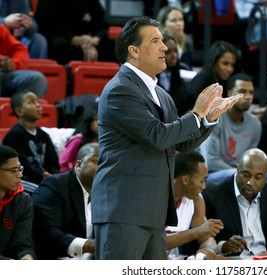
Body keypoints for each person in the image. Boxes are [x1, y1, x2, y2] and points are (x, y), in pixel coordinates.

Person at [91, 16, 243, 260]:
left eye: (163, 40)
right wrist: (196, 113)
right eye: (155, 41)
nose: (164, 47)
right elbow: (157, 136)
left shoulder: (162, 94)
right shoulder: (120, 89)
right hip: (123, 210)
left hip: (154, 212)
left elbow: (180, 144)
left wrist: (208, 118)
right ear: (134, 50)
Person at [202, 148, 267, 259]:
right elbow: (197, 242)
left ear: (266, 175)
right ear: (238, 168)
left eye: (258, 177)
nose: (250, 182)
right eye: (246, 175)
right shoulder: (213, 194)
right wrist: (223, 247)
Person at [198, 73, 267, 191]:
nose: (248, 96)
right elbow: (210, 162)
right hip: (213, 175)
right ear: (230, 94)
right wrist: (241, 173)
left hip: (243, 174)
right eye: (243, 91)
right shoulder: (215, 117)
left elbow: (250, 159)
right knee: (240, 177)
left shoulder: (255, 124)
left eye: (251, 92)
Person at [32, 143, 98, 260]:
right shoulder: (55, 185)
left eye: (107, 163)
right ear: (78, 165)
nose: (103, 168)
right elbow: (45, 231)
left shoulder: (107, 193)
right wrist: (87, 245)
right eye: (97, 162)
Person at [166, 151, 225, 260]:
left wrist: (208, 250)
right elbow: (155, 242)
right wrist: (196, 232)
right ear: (185, 180)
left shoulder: (196, 200)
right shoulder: (156, 199)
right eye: (201, 181)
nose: (204, 187)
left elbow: (207, 239)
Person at [2, 91, 59, 184]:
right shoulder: (13, 136)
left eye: (38, 102)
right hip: (23, 182)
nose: (38, 105)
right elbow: (20, 164)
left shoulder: (44, 135)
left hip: (46, 181)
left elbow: (53, 162)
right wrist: (41, 174)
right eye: (31, 102)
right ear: (20, 111)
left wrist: (54, 175)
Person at [34, 0, 116, 65]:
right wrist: (74, 39)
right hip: (62, 40)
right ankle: (66, 81)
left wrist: (95, 40)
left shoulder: (91, 2)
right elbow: (46, 26)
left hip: (87, 44)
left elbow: (103, 27)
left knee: (114, 46)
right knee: (59, 44)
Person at [0, 144, 35, 260]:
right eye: (13, 170)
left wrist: (26, 255)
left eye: (20, 169)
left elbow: (22, 242)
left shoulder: (22, 201)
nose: (20, 175)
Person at [185, 40, 241, 110]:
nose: (229, 69)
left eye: (232, 65)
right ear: (214, 62)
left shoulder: (228, 82)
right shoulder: (202, 80)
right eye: (225, 63)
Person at [0, 23, 47, 97]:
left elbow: (20, 50)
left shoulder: (1, 29)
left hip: (4, 74)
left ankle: (24, 108)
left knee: (36, 79)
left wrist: (13, 63)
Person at [60, 103, 98, 173]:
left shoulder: (107, 143)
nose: (101, 123)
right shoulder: (78, 141)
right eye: (98, 119)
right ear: (90, 122)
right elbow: (62, 165)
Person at [156, 34, 188, 116]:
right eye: (168, 52)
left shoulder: (179, 78)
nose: (174, 55)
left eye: (175, 51)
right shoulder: (151, 77)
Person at [156, 5, 193, 69]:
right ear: (163, 25)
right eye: (173, 20)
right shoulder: (158, 46)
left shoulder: (187, 45)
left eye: (181, 19)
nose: (179, 24)